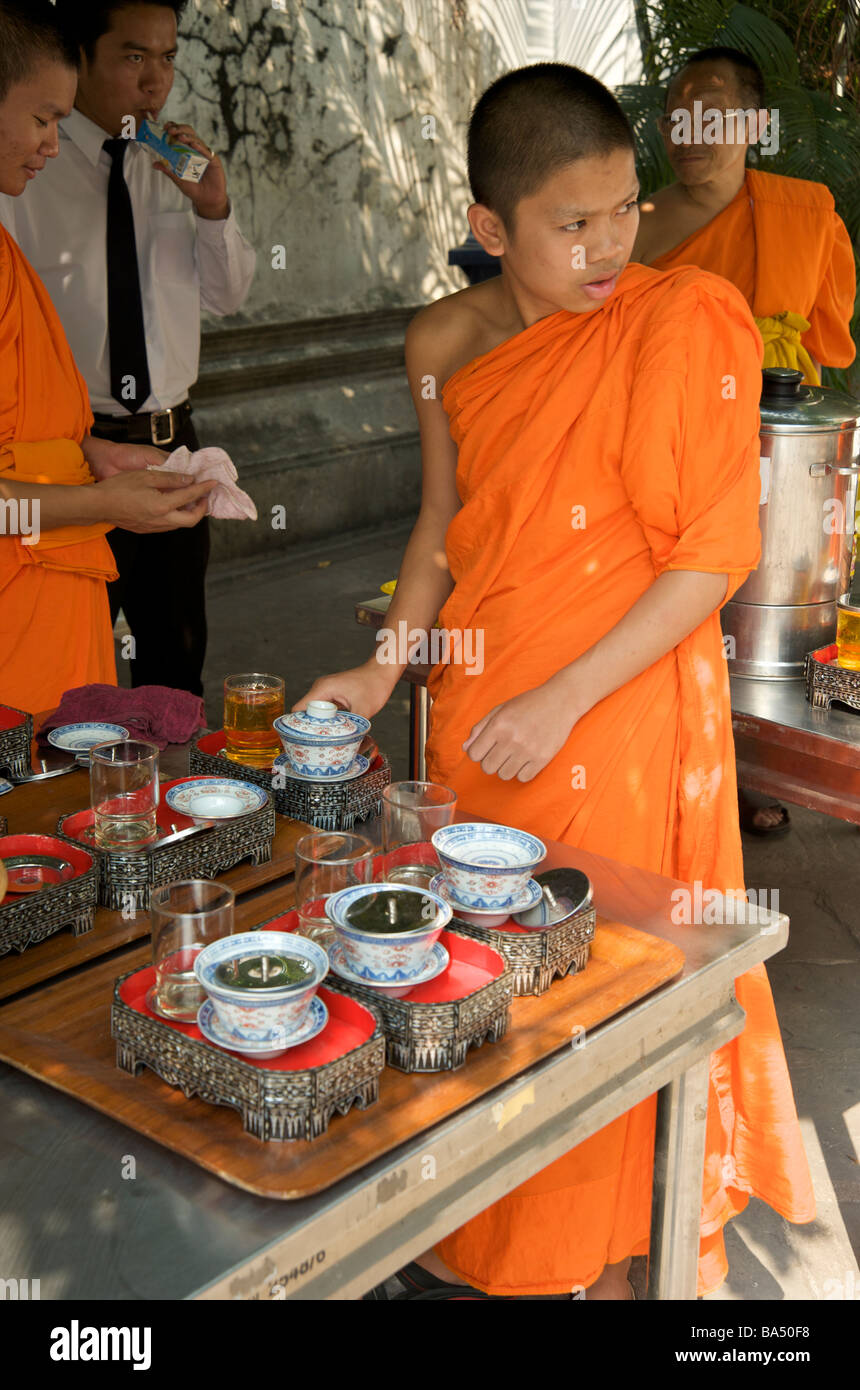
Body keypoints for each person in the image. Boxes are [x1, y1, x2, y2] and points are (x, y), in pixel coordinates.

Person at [298, 63, 815, 1299]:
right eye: (568, 224)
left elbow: (710, 554)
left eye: (623, 210)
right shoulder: (442, 341)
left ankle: (588, 1244)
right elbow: (438, 527)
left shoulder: (676, 319)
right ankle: (484, 1232)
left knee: (589, 978)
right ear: (490, 229)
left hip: (615, 704)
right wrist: (381, 671)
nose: (606, 247)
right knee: (472, 971)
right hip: (483, 705)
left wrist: (566, 696)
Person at [0, 0, 256, 698]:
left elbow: (229, 296)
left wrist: (211, 208)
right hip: (56, 471)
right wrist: (92, 480)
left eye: (168, 58)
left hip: (150, 449)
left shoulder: (174, 167)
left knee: (171, 670)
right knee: (61, 686)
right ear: (81, 57)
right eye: (134, 56)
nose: (156, 81)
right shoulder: (22, 178)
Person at [633, 46, 856, 836]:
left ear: (755, 123)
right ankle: (687, 772)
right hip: (672, 442)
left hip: (773, 442)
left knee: (763, 618)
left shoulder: (806, 212)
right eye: (678, 111)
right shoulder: (638, 224)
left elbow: (825, 341)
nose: (692, 129)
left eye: (715, 110)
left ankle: (747, 764)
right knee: (681, 608)